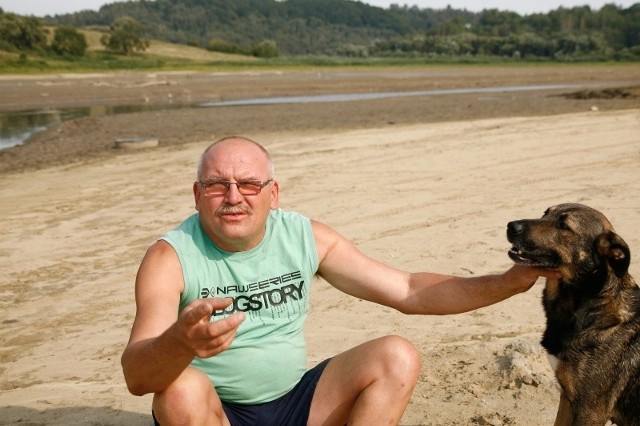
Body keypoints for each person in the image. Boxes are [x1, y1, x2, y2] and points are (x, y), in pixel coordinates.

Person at [121, 135, 559, 426]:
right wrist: (181, 342)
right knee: (178, 389)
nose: (234, 197)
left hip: (298, 403)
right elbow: (138, 377)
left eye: (249, 184)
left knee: (395, 356)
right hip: (215, 412)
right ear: (198, 195)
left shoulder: (304, 237)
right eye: (217, 185)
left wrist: (510, 281)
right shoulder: (170, 256)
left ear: (273, 193)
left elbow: (407, 289)